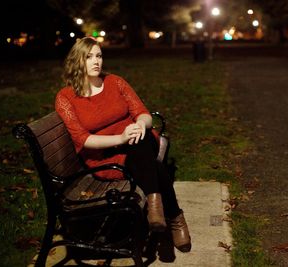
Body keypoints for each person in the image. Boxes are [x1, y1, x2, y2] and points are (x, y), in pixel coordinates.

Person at [55, 37, 191, 252]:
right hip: (106, 157)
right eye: (89, 57)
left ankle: (154, 205)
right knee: (150, 163)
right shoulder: (66, 97)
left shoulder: (115, 82)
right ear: (76, 61)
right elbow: (83, 139)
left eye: (99, 56)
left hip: (138, 143)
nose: (96, 61)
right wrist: (121, 139)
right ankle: (174, 217)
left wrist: (139, 125)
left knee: (142, 140)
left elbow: (143, 114)